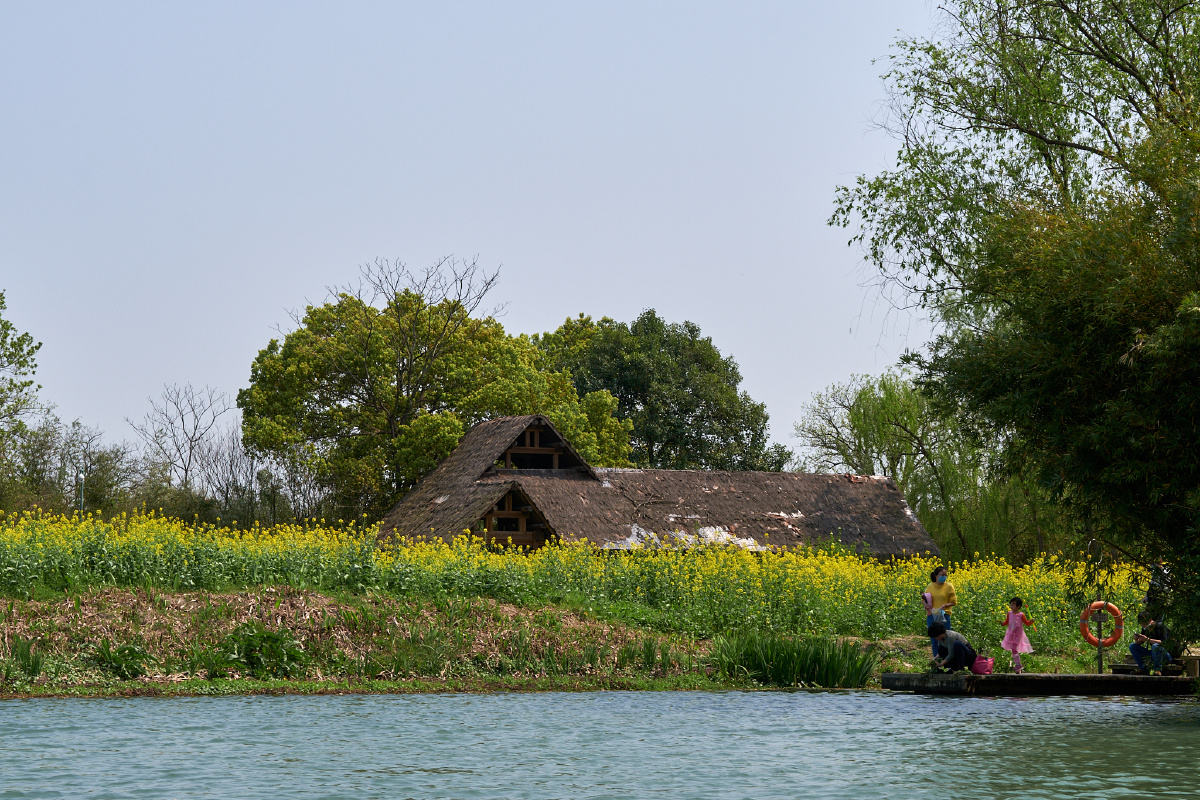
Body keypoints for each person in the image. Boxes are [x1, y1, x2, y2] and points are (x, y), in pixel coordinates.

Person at [922, 566, 957, 657]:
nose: (944, 577)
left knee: (946, 640)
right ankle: (937, 661)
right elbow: (924, 599)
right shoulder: (930, 586)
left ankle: (947, 661)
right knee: (934, 640)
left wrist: (945, 605)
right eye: (942, 575)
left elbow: (954, 602)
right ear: (936, 576)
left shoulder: (949, 586)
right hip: (932, 615)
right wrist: (926, 605)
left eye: (945, 575)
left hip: (944, 615)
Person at [999, 596, 1036, 674]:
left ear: (1018, 606)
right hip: (1010, 634)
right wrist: (1002, 623)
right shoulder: (1009, 613)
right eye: (1011, 604)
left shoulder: (1021, 615)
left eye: (1013, 604)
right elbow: (1006, 622)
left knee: (1014, 649)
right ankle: (1018, 669)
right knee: (1014, 650)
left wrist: (1031, 621)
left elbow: (1027, 623)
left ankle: (1018, 665)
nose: (1011, 606)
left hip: (1018, 634)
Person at [1129, 610, 1172, 675]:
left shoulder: (1161, 626)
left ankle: (1157, 669)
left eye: (1144, 622)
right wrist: (1136, 639)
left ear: (1150, 620)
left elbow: (1163, 642)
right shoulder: (1145, 629)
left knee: (1155, 646)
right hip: (1153, 654)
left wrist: (1148, 640)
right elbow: (1140, 643)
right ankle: (1143, 669)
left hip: (1165, 655)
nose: (1143, 625)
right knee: (1132, 646)